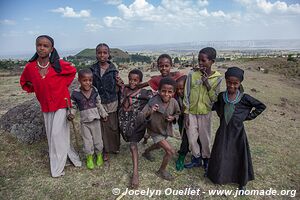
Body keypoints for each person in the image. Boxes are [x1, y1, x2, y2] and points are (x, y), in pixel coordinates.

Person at [20, 35, 81, 177]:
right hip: (46, 105)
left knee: (56, 134)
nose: (42, 48)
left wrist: (61, 85)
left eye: (45, 46)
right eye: (39, 45)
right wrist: (38, 87)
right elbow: (25, 81)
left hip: (61, 102)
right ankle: (69, 158)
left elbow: (72, 71)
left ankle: (57, 168)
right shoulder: (30, 67)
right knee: (54, 135)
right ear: (36, 46)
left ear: (51, 49)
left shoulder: (58, 64)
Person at [207, 67, 266, 191]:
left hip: (238, 134)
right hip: (223, 132)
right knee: (220, 154)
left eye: (235, 83)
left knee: (238, 156)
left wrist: (247, 116)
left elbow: (261, 106)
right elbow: (216, 106)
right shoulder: (222, 96)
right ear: (226, 81)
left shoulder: (244, 98)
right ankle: (217, 176)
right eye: (229, 82)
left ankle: (241, 182)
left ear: (240, 83)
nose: (232, 86)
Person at [183, 47, 222, 176]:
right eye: (199, 60)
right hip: (192, 112)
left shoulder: (217, 78)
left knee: (205, 138)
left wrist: (207, 84)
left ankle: (206, 160)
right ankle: (196, 158)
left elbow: (215, 98)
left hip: (205, 113)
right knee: (192, 137)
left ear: (212, 62)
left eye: (203, 60)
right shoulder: (192, 75)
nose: (200, 63)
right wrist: (186, 113)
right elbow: (186, 94)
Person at [138, 77, 181, 181]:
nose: (166, 94)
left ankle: (146, 152)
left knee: (158, 146)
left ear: (174, 92)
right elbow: (142, 116)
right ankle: (161, 171)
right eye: (163, 91)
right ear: (158, 91)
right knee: (170, 151)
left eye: (170, 92)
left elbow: (178, 113)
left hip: (164, 129)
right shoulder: (153, 101)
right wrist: (151, 111)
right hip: (154, 130)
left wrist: (173, 117)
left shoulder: (174, 102)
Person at [68, 69, 108, 170]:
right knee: (87, 141)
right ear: (79, 81)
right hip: (85, 122)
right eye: (85, 80)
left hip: (96, 121)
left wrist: (103, 114)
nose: (88, 83)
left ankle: (99, 155)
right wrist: (71, 114)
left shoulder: (94, 90)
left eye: (90, 80)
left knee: (98, 140)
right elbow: (73, 106)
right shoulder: (76, 93)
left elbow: (98, 103)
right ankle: (89, 157)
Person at [140, 54, 185, 144]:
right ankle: (147, 137)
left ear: (171, 66)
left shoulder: (177, 76)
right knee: (156, 124)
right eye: (161, 66)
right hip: (160, 106)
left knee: (178, 124)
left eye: (166, 66)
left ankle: (182, 142)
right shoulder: (156, 79)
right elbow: (141, 85)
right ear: (158, 67)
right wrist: (125, 85)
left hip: (173, 106)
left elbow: (186, 80)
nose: (164, 68)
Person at [118, 69, 152, 188]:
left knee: (133, 145)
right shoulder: (123, 89)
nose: (132, 82)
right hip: (123, 122)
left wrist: (145, 112)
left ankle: (135, 174)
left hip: (136, 123)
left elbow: (156, 98)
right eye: (130, 79)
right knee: (127, 139)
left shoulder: (144, 93)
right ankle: (147, 137)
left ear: (140, 81)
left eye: (136, 80)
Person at [90, 43, 121, 161]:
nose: (102, 55)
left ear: (109, 54)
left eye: (105, 52)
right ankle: (104, 150)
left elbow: (118, 87)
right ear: (96, 54)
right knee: (101, 127)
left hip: (112, 101)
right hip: (99, 102)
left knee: (112, 126)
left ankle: (114, 147)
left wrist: (119, 84)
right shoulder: (92, 69)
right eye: (99, 52)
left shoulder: (113, 69)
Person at [174, 75, 201, 171]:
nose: (179, 91)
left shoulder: (193, 97)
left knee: (197, 139)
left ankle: (198, 156)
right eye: (177, 89)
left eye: (182, 88)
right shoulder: (177, 98)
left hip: (194, 120)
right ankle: (181, 157)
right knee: (185, 139)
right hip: (183, 121)